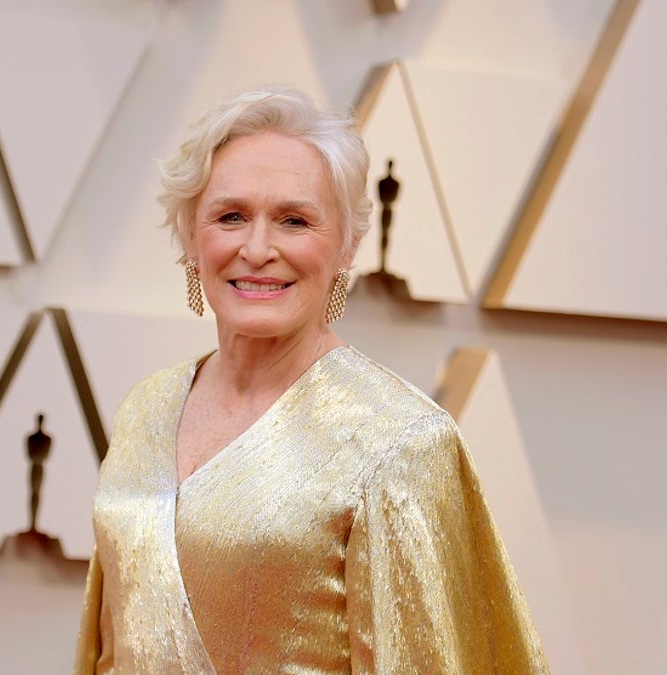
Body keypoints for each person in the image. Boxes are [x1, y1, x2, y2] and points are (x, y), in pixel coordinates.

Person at [74, 85, 546, 673]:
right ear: (191, 237)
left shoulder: (401, 442)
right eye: (231, 216)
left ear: (345, 247)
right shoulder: (146, 407)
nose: (258, 248)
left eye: (294, 220)